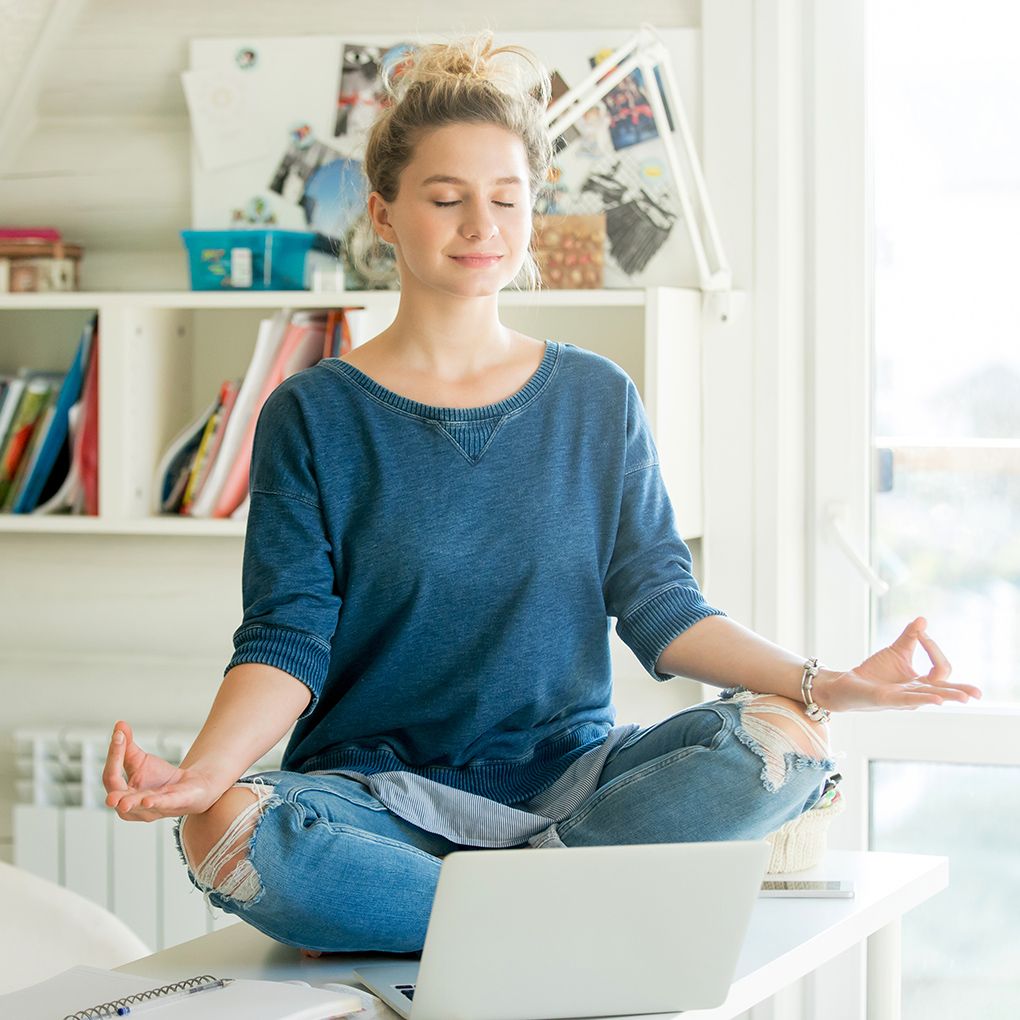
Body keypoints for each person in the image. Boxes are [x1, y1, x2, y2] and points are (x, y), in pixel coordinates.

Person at [102, 30, 981, 956]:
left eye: (506, 199)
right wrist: (203, 777)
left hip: (572, 781)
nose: (481, 225)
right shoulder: (312, 416)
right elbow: (287, 642)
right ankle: (563, 915)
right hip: (377, 797)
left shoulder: (595, 397)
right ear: (385, 214)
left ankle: (478, 916)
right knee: (223, 833)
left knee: (787, 741)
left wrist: (826, 682)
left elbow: (662, 608)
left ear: (532, 211)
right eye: (446, 199)